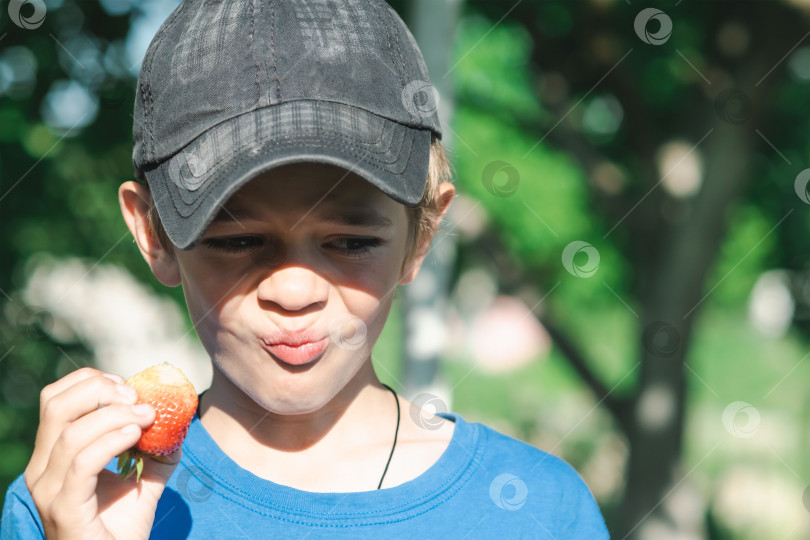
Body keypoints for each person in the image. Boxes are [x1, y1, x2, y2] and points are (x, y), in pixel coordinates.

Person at [1, 0, 610, 537]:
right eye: (238, 241)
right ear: (153, 234)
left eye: (350, 242)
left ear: (421, 233)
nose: (293, 291)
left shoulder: (539, 511)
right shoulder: (70, 502)